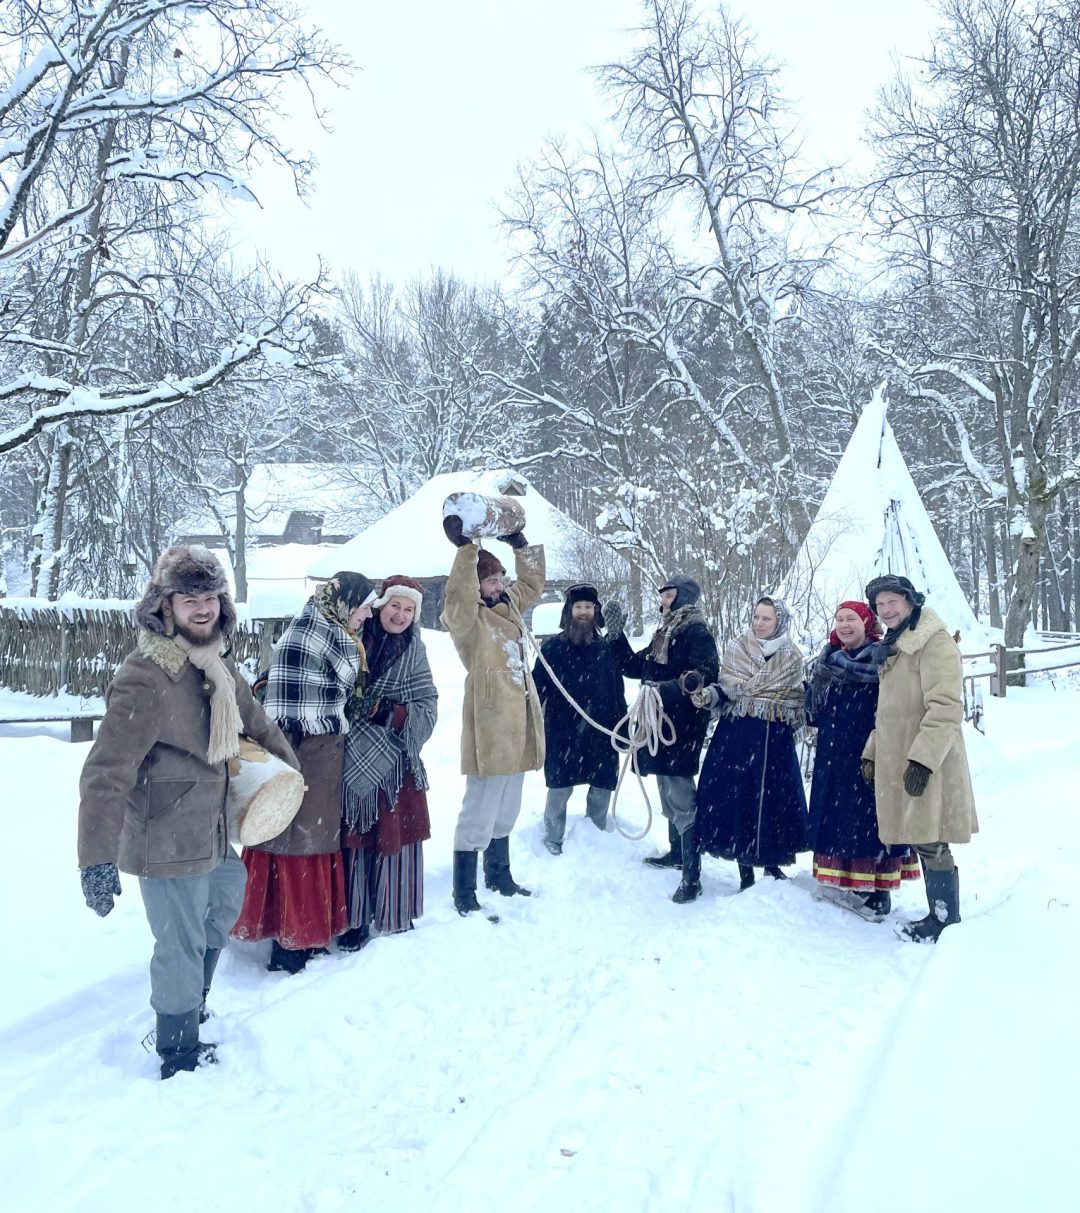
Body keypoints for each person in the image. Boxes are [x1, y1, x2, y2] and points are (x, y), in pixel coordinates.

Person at [77, 546, 298, 1079]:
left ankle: (191, 1005)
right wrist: (95, 860)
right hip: (164, 835)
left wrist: (291, 777)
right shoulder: (146, 676)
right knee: (179, 942)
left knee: (224, 905)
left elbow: (258, 724)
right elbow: (106, 771)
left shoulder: (218, 667)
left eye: (211, 598)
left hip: (212, 828)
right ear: (164, 605)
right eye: (188, 598)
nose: (202, 609)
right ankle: (178, 1049)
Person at [231, 571, 377, 973]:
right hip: (312, 748)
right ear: (345, 601)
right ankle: (294, 941)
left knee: (285, 833)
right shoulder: (328, 634)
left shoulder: (309, 624)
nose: (368, 614)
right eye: (364, 604)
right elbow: (350, 687)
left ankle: (282, 928)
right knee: (306, 839)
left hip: (291, 745)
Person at [861, 574, 978, 942]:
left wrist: (923, 760)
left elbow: (945, 707)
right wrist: (873, 753)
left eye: (892, 601)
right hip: (900, 755)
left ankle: (943, 918)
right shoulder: (895, 645)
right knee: (923, 836)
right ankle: (940, 914)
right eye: (879, 605)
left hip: (929, 758)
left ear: (911, 601)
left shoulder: (934, 642)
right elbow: (887, 712)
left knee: (931, 837)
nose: (886, 610)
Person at [442, 515, 546, 915]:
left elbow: (533, 584)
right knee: (480, 807)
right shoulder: (468, 620)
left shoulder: (512, 607)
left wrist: (521, 545)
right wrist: (467, 551)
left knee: (508, 805)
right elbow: (457, 596)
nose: (498, 585)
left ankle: (498, 874)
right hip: (488, 722)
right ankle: (463, 890)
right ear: (477, 587)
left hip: (519, 721)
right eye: (490, 580)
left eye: (500, 578)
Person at [605, 575, 719, 904]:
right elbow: (633, 666)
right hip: (658, 722)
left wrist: (666, 690)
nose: (664, 601)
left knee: (681, 797)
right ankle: (677, 854)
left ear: (682, 597)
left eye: (669, 595)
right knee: (667, 795)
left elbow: (705, 673)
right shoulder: (665, 634)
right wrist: (616, 635)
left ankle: (692, 877)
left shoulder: (695, 631)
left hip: (681, 725)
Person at [339, 576, 438, 948]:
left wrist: (388, 712)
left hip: (396, 761)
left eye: (408, 609)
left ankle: (395, 909)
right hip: (350, 754)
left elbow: (427, 705)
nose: (400, 614)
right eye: (395, 605)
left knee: (394, 836)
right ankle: (355, 918)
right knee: (356, 840)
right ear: (381, 606)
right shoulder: (354, 640)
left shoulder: (416, 651)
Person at [805, 600, 919, 918]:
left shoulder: (882, 658)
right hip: (832, 751)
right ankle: (844, 880)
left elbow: (897, 706)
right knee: (837, 814)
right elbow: (814, 709)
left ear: (866, 622)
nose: (844, 624)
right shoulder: (827, 660)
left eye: (851, 618)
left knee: (870, 817)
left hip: (870, 751)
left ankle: (878, 892)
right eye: (839, 618)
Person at [692, 596, 809, 892]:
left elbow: (796, 698)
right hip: (738, 735)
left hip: (774, 740)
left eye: (767, 619)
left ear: (779, 622)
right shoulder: (736, 648)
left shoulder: (792, 657)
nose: (759, 623)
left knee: (773, 802)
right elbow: (727, 687)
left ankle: (771, 863)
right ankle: (745, 870)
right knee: (739, 799)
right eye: (756, 617)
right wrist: (710, 696)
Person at [531, 583, 627, 855]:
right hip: (562, 730)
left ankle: (595, 838)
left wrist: (624, 726)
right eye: (578, 607)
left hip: (602, 730)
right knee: (559, 789)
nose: (583, 612)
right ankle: (553, 837)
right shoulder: (552, 649)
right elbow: (537, 688)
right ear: (569, 611)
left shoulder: (607, 648)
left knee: (601, 787)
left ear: (596, 611)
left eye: (588, 607)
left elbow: (625, 679)